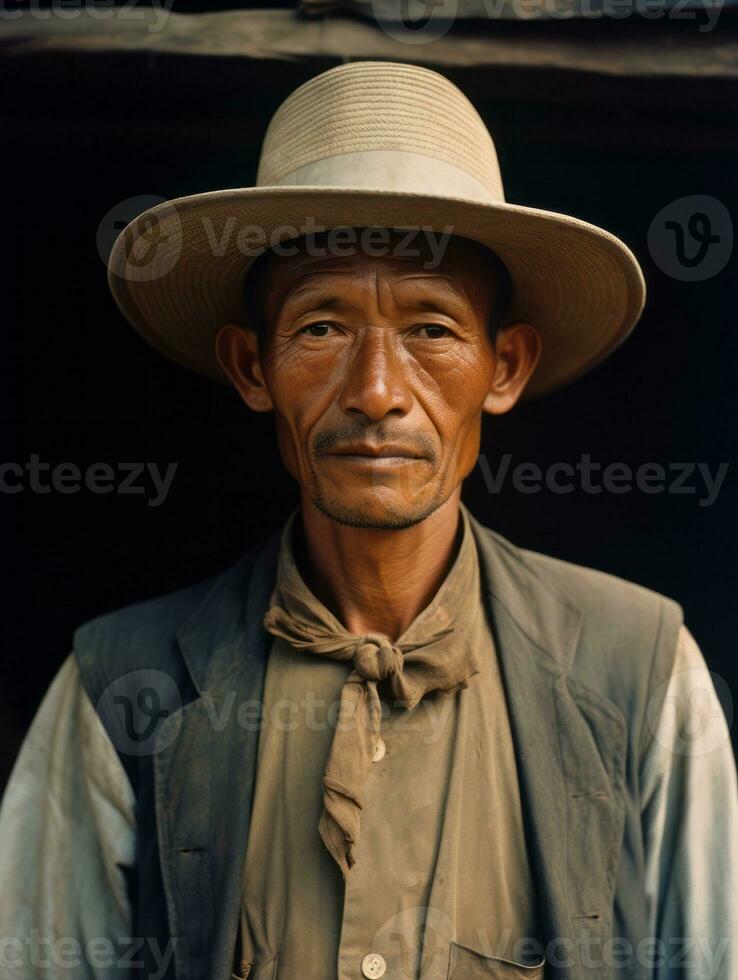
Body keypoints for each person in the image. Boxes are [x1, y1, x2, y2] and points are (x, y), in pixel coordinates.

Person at [1, 61, 735, 980]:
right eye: (321, 327)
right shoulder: (123, 687)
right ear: (252, 367)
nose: (378, 393)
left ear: (504, 367)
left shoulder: (638, 673)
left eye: (432, 328)